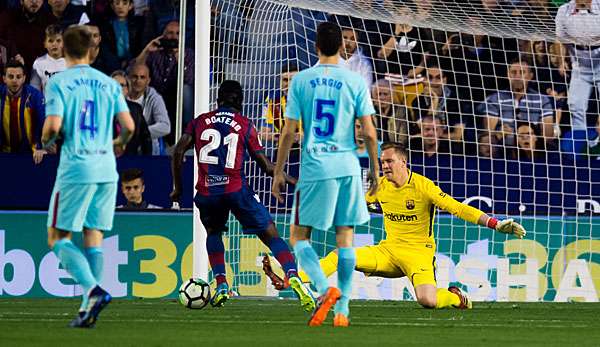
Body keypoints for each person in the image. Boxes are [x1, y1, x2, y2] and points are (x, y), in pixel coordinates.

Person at [284, 142, 526, 310]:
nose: (384, 166)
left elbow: (458, 208)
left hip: (418, 253)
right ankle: (295, 279)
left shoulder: (423, 186)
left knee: (428, 301)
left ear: (403, 162)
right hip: (388, 251)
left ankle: (455, 298)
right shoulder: (378, 186)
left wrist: (495, 224)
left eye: (389, 161)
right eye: (382, 162)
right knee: (341, 255)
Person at [170, 80, 315, 312]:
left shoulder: (199, 122)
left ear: (217, 100)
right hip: (237, 190)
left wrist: (178, 188)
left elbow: (178, 151)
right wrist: (293, 180)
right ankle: (292, 274)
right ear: (241, 102)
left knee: (213, 232)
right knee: (271, 234)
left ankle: (222, 284)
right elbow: (266, 166)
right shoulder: (245, 125)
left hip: (207, 192)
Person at [271, 22, 379, 327]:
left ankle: (323, 288)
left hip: (316, 168)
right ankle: (342, 309)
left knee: (299, 237)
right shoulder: (355, 80)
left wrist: (278, 172)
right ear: (342, 47)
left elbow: (289, 131)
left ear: (316, 46)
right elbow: (370, 133)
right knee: (345, 239)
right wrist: (374, 168)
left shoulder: (302, 81)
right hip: (347, 167)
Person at [41, 25, 134, 328]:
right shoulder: (108, 83)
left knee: (58, 237)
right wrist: (117, 145)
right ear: (91, 50)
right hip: (107, 168)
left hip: (77, 167)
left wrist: (45, 143)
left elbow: (52, 128)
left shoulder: (59, 83)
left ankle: (93, 290)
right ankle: (86, 309)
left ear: (64, 50)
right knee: (93, 235)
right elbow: (129, 127)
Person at [555, 0, 600, 155]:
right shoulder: (564, 10)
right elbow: (561, 40)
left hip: (599, 57)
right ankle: (579, 146)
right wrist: (562, 60)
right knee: (575, 104)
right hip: (579, 60)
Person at [0, 59, 46, 163]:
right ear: (4, 79)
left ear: (24, 78)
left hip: (31, 155)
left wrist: (43, 147)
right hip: (3, 154)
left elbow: (44, 122)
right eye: (10, 76)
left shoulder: (35, 96)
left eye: (18, 77)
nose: (15, 80)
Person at [126, 62, 170, 155]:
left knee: (151, 142)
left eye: (142, 77)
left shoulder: (154, 98)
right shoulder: (120, 96)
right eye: (134, 77)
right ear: (128, 78)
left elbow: (165, 127)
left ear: (148, 81)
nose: (138, 81)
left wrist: (138, 134)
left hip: (146, 144)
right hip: (123, 140)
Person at [111, 70, 152, 155]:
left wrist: (147, 162)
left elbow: (145, 138)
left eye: (121, 85)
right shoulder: (100, 109)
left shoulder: (136, 109)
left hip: (130, 159)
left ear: (127, 90)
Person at [30, 24, 66, 92]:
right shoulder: (38, 64)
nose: (54, 44)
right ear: (45, 44)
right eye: (50, 41)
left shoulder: (73, 62)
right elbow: (34, 91)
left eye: (58, 41)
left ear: (63, 43)